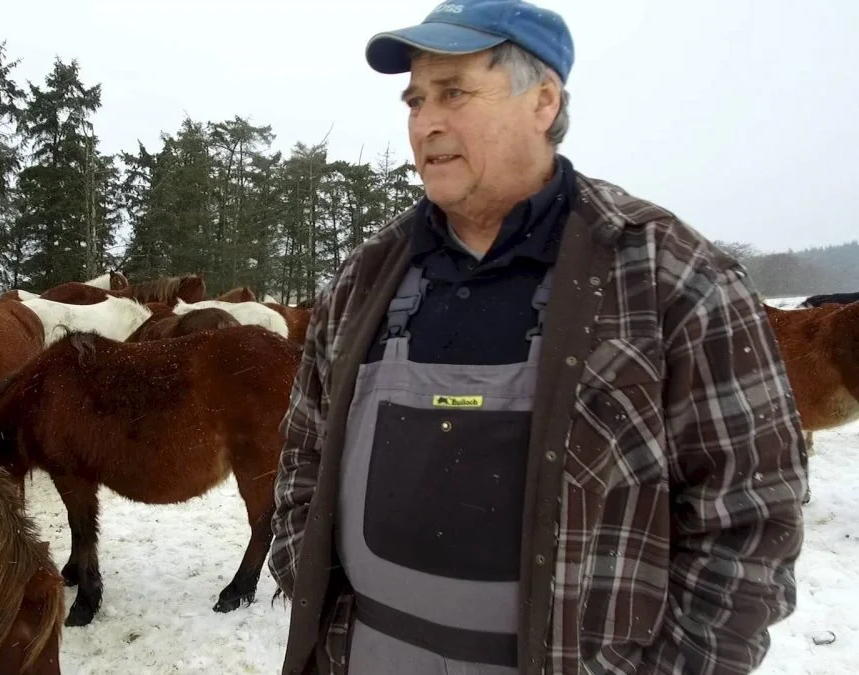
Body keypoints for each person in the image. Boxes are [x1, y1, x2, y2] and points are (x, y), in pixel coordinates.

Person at [267, 1, 809, 673]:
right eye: (414, 100)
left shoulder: (670, 275)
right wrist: (309, 582)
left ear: (543, 101)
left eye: (453, 92)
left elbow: (752, 515)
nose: (424, 122)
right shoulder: (364, 277)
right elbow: (303, 457)